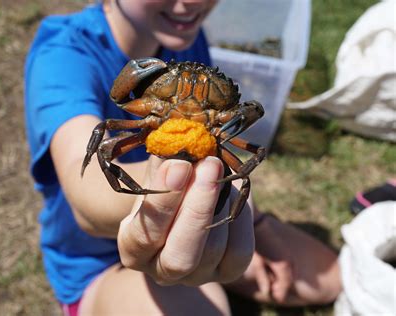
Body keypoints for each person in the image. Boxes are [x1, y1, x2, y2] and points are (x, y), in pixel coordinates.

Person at [24, 1, 341, 315]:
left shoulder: (188, 36)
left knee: (329, 279)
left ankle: (216, 240)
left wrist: (256, 224)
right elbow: (87, 197)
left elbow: (247, 143)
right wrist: (172, 189)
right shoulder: (63, 56)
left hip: (208, 218)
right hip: (96, 263)